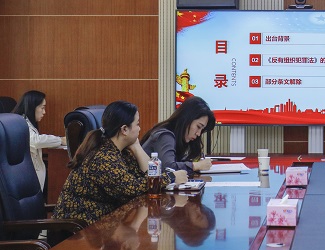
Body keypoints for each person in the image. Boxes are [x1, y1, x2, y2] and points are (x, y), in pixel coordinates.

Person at [53, 101, 188, 225]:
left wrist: (137, 147)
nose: (139, 129)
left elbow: (147, 175)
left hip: (104, 224)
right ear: (124, 130)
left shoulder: (120, 151)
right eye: (137, 124)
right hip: (79, 228)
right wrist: (171, 177)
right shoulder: (103, 156)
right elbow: (132, 188)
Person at [141, 96, 216, 175]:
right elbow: (169, 168)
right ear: (187, 119)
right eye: (198, 126)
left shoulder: (175, 136)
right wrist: (196, 165)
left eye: (202, 129)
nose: (198, 133)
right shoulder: (165, 136)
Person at [12, 90, 66, 191]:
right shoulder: (20, 123)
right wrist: (61, 140)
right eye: (42, 108)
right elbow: (35, 141)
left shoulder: (27, 122)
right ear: (33, 107)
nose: (44, 112)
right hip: (26, 177)